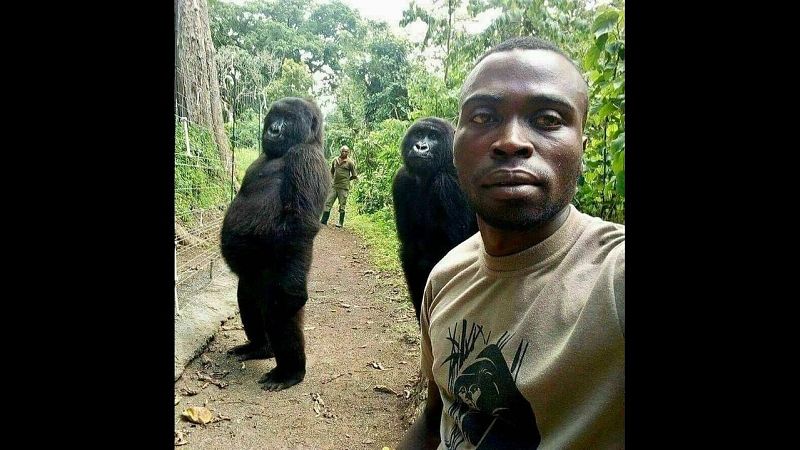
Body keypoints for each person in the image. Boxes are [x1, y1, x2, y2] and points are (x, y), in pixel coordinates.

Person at [397, 36, 625, 449]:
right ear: (457, 146)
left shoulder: (613, 274)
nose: (510, 141)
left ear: (582, 149)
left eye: (548, 118)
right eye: (483, 116)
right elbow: (437, 419)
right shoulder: (445, 278)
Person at [320, 145, 358, 228]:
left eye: (346, 151)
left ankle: (340, 223)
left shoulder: (350, 162)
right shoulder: (335, 160)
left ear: (348, 153)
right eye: (343, 151)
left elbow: (354, 175)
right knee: (328, 203)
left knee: (342, 205)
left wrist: (347, 180)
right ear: (340, 151)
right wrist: (331, 180)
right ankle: (324, 221)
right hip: (334, 186)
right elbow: (331, 172)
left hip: (343, 187)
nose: (344, 153)